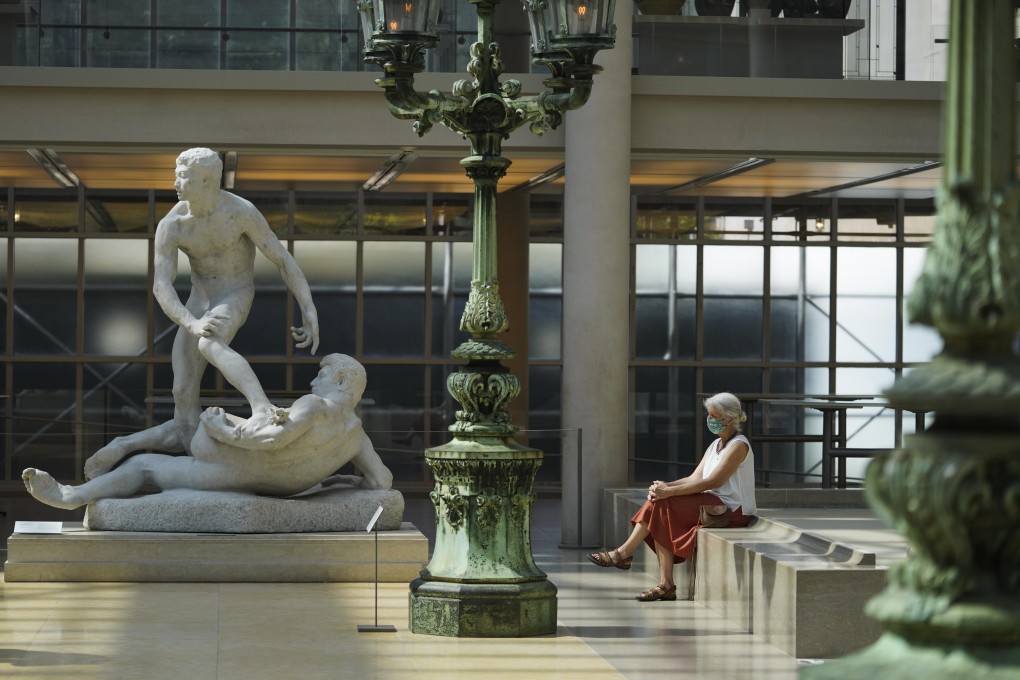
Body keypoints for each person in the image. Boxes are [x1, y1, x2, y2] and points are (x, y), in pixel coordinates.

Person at [83, 147, 320, 479]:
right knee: (182, 394)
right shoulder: (173, 224)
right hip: (198, 302)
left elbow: (281, 258)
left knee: (210, 342)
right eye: (176, 175)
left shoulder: (240, 212)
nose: (175, 183)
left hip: (235, 293)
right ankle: (128, 446)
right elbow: (161, 286)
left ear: (207, 181)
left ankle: (262, 408)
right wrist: (190, 322)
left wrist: (307, 307)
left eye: (184, 177)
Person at [23, 354, 392, 510]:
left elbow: (272, 440)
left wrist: (222, 431)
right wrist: (338, 480)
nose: (313, 380)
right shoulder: (358, 439)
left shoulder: (315, 405)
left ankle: (72, 494)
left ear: (340, 381)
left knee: (147, 463)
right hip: (262, 479)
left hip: (232, 458)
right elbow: (381, 482)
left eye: (321, 374)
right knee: (168, 446)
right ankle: (120, 448)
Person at [587, 392, 756, 602]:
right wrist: (664, 486)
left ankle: (630, 558)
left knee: (664, 502)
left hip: (732, 509)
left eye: (714, 416)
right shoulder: (715, 445)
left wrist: (669, 492)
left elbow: (712, 482)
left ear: (729, 418)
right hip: (711, 502)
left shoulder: (739, 445)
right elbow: (694, 477)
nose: (709, 419)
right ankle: (656, 578)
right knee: (659, 501)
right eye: (709, 415)